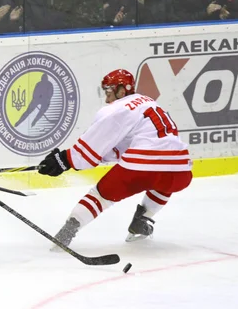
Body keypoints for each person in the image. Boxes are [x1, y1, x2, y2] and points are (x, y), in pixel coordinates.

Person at [37, 69, 193, 247]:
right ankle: (141, 221)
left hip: (143, 168)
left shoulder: (118, 108)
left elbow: (90, 150)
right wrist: (75, 158)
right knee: (164, 179)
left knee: (101, 194)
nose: (107, 99)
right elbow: (118, 149)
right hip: (182, 169)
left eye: (109, 93)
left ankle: (66, 234)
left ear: (121, 90)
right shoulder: (149, 102)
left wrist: (64, 160)